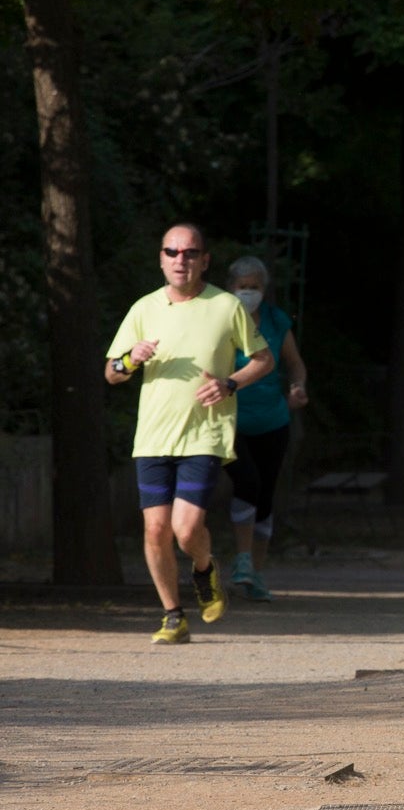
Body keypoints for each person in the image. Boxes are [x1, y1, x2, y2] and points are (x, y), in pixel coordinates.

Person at [105, 223, 274, 644]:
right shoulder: (143, 308)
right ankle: (172, 615)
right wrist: (130, 359)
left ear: (204, 260)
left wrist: (230, 383)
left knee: (184, 529)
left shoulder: (226, 306)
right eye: (173, 252)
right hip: (153, 437)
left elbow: (264, 359)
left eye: (190, 253)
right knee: (155, 530)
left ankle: (204, 568)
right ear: (161, 258)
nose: (181, 260)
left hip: (206, 433)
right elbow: (112, 373)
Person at [222, 256, 308, 602]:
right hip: (230, 422)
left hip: (273, 421)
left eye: (254, 287)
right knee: (248, 482)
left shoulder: (275, 321)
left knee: (266, 494)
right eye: (242, 287)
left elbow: (296, 365)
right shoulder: (220, 321)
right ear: (231, 288)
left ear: (264, 289)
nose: (248, 293)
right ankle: (242, 559)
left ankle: (255, 573)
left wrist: (297, 387)